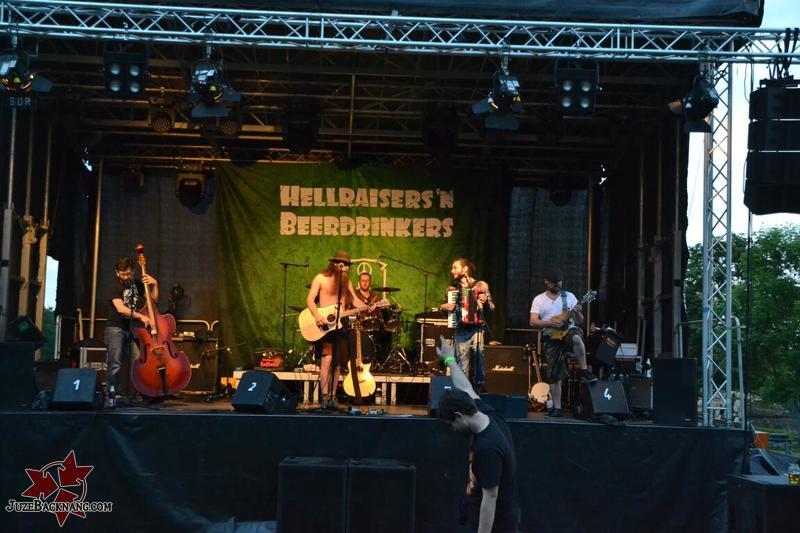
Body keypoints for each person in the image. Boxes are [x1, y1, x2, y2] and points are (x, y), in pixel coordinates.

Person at [436, 336, 519, 533]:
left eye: (451, 424)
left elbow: (490, 498)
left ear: (459, 416)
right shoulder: (487, 413)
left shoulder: (488, 448)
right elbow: (465, 387)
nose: (452, 429)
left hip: (496, 527)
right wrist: (450, 360)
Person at [529, 267, 596, 418]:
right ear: (546, 282)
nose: (557, 284)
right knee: (554, 373)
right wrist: (550, 323)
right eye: (554, 282)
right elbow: (533, 321)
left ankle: (584, 370)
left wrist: (577, 313)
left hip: (568, 331)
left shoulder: (569, 297)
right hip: (551, 336)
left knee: (577, 338)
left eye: (559, 282)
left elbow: (579, 321)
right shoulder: (539, 299)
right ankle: (557, 408)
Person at [306, 250, 361, 407]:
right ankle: (324, 396)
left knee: (337, 362)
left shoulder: (346, 282)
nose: (347, 268)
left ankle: (333, 396)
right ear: (336, 264)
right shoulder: (321, 278)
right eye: (345, 265)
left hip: (340, 325)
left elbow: (355, 301)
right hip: (325, 326)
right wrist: (317, 315)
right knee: (327, 359)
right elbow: (310, 299)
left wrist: (369, 306)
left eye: (349, 266)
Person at [104, 257, 159, 408]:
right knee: (115, 362)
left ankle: (143, 392)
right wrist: (142, 317)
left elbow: (153, 300)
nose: (126, 277)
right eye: (122, 274)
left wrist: (155, 284)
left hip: (130, 329)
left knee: (137, 361)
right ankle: (113, 395)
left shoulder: (137, 284)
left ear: (133, 271)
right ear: (117, 273)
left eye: (128, 274)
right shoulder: (114, 287)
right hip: (115, 328)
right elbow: (121, 309)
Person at [439, 258, 494, 390]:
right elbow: (445, 313)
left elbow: (491, 307)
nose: (452, 271)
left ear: (465, 269)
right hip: (461, 331)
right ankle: (463, 394)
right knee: (462, 366)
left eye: (455, 268)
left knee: (478, 362)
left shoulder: (481, 285)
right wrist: (443, 307)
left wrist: (486, 301)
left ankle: (478, 392)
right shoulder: (452, 289)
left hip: (477, 330)